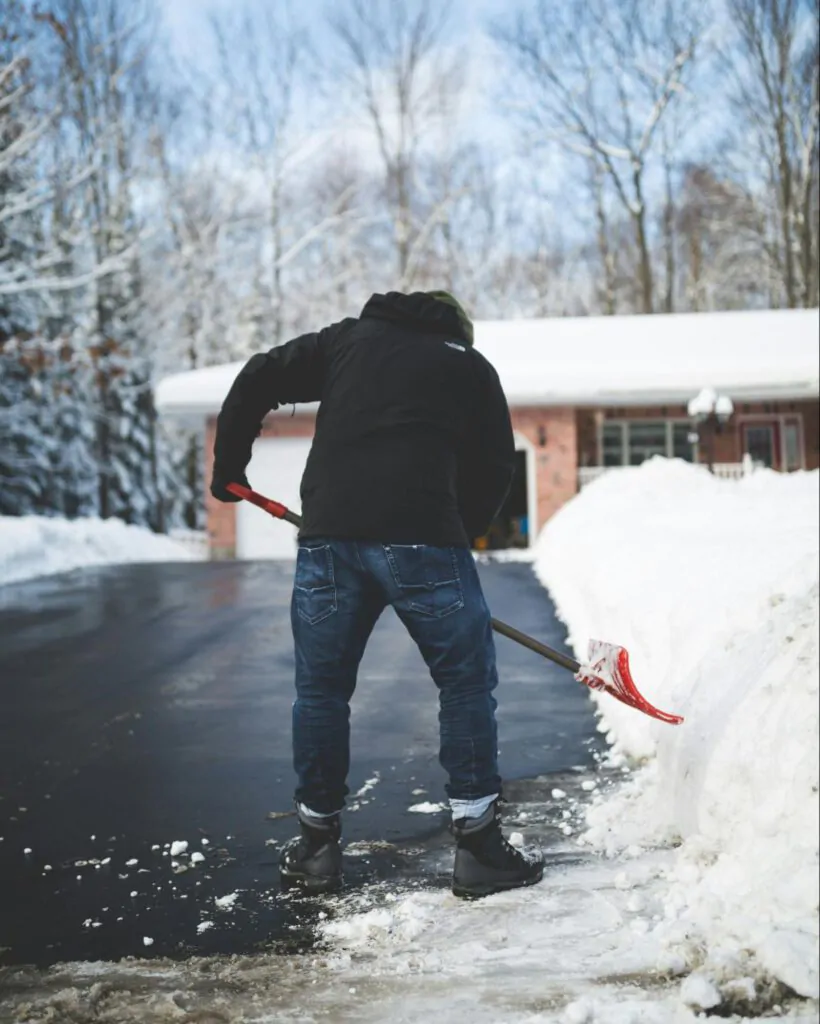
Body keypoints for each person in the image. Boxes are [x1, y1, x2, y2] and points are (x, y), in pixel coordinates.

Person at [210, 291, 544, 899]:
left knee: (321, 691)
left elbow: (258, 374)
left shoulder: (345, 342)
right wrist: (451, 530)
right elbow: (496, 464)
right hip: (424, 541)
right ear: (457, 330)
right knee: (465, 684)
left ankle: (316, 848)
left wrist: (228, 464)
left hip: (329, 539)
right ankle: (478, 848)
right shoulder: (468, 366)